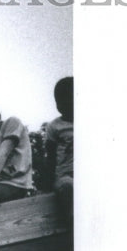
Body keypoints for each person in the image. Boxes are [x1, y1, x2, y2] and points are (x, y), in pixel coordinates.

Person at [43, 76, 73, 223]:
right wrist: (48, 184)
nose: (61, 105)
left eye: (67, 99)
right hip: (65, 176)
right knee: (68, 186)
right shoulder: (54, 126)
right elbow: (51, 157)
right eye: (58, 101)